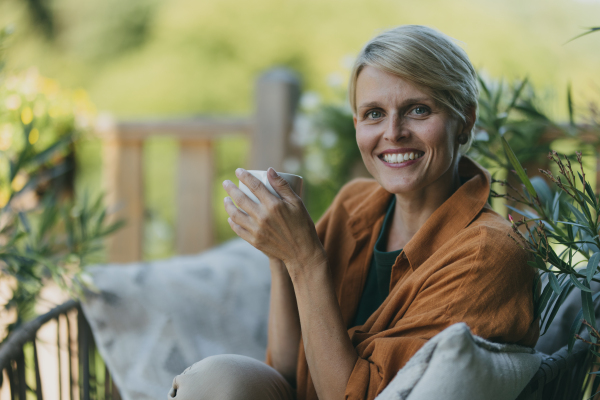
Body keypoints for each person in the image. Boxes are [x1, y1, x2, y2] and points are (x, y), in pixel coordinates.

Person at [168, 24, 539, 400]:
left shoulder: (486, 255)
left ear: (465, 121)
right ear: (357, 125)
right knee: (214, 379)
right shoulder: (354, 206)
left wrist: (304, 258)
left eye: (419, 110)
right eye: (374, 113)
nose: (393, 133)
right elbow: (288, 372)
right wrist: (281, 255)